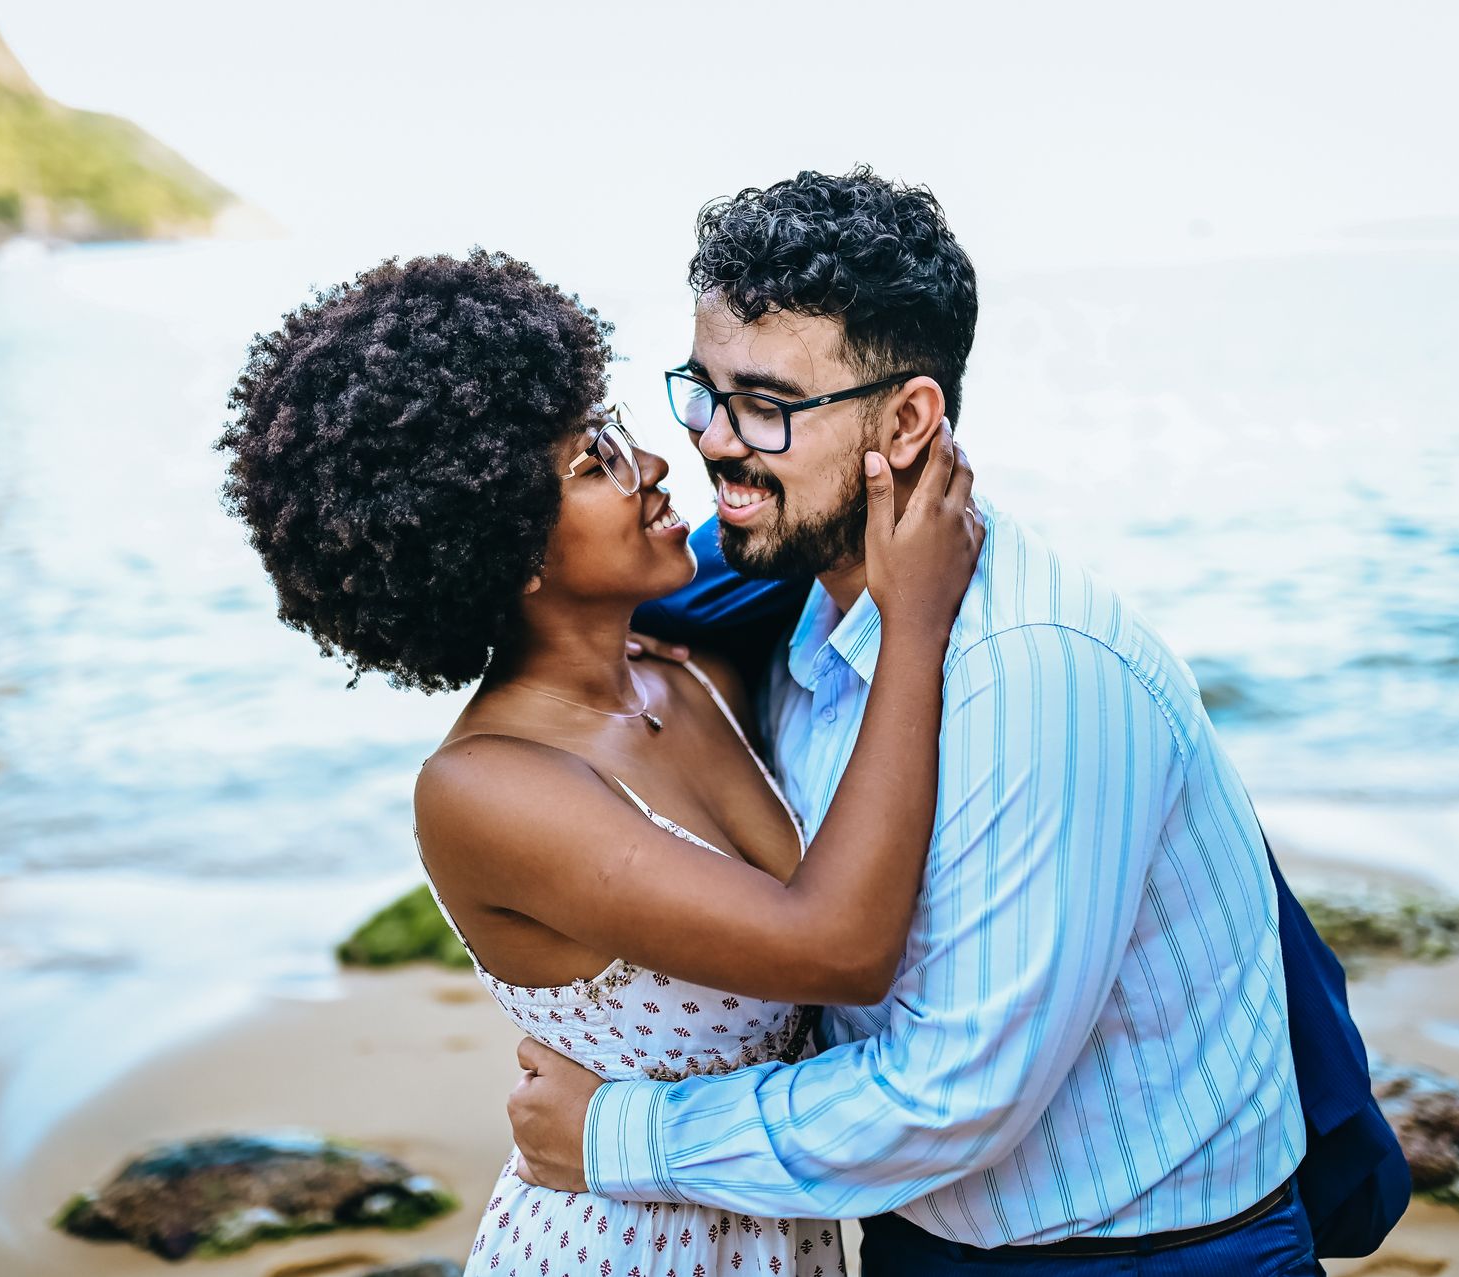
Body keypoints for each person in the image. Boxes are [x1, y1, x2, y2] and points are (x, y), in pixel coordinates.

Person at [507, 168, 1401, 1274]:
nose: (715, 441)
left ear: (911, 418)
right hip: (917, 1237)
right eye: (703, 386)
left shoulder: (1030, 669)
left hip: (1147, 1253)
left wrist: (617, 1132)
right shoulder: (770, 597)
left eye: (768, 405)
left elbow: (955, 1090)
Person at [215, 248, 983, 1275]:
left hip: (769, 1233)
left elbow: (819, 505)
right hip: (617, 1243)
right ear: (503, 541)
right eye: (595, 463)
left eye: (617, 431)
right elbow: (838, 945)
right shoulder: (488, 787)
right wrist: (916, 627)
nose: (655, 464)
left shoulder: (688, 663)